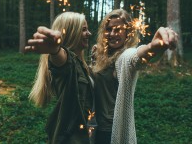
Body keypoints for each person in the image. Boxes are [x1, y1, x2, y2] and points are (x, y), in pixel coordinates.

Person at [91, 9, 178, 144]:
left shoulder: (124, 56)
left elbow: (136, 57)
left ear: (128, 33)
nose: (113, 34)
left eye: (118, 29)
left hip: (109, 132)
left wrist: (152, 47)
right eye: (109, 29)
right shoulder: (99, 53)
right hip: (92, 127)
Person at [25, 12, 96, 144]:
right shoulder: (66, 61)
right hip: (72, 139)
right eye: (84, 30)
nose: (89, 34)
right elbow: (62, 62)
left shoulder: (80, 63)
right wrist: (55, 50)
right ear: (71, 32)